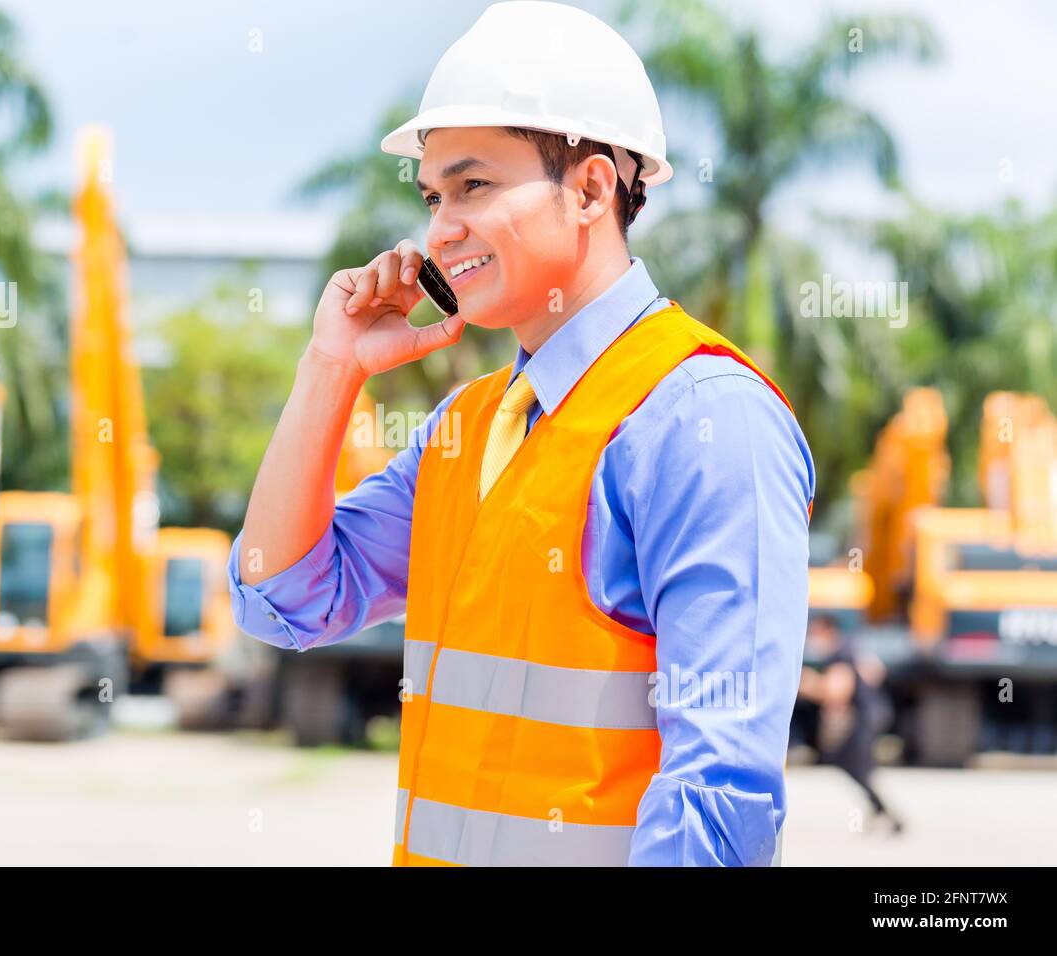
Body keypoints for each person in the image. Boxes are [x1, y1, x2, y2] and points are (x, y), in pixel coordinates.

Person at [229, 1, 815, 866]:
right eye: (433, 196)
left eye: (475, 186)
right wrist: (332, 368)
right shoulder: (466, 429)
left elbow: (718, 794)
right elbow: (281, 597)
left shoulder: (705, 419)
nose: (440, 228)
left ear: (590, 190)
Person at [798, 616, 904, 833]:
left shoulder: (840, 654)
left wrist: (807, 684)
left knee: (854, 767)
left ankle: (887, 814)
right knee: (857, 769)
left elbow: (836, 692)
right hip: (871, 715)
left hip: (864, 719)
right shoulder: (850, 650)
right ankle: (881, 812)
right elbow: (876, 670)